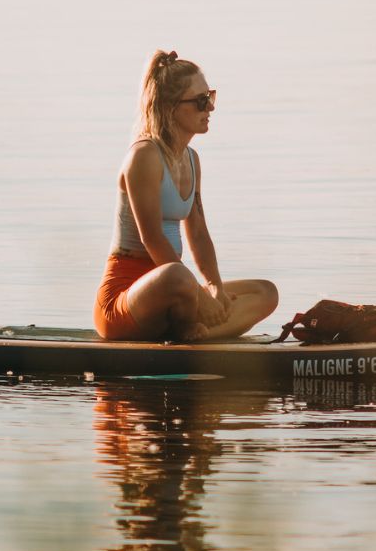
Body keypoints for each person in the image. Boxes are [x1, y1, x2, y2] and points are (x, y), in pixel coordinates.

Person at [93, 50, 278, 342]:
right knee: (178, 276)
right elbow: (151, 238)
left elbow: (199, 234)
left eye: (211, 97)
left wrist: (214, 286)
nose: (211, 108)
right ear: (170, 107)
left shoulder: (191, 159)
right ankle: (194, 329)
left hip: (175, 291)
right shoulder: (144, 156)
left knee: (265, 292)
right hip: (124, 301)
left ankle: (194, 333)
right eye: (201, 101)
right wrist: (196, 292)